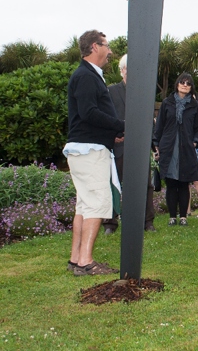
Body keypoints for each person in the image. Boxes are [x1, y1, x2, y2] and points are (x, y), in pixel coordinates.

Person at [63, 30, 124, 276]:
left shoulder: (86, 75)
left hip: (85, 148)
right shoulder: (87, 76)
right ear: (94, 47)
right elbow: (88, 113)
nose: (110, 51)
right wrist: (121, 126)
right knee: (97, 203)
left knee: (84, 206)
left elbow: (85, 118)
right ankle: (86, 261)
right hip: (89, 152)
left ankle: (76, 258)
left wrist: (110, 135)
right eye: (106, 46)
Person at [102, 54, 157, 233]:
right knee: (114, 184)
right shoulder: (111, 91)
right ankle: (110, 223)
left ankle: (147, 222)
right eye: (127, 69)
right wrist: (112, 137)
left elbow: (149, 121)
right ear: (122, 71)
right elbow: (106, 117)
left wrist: (153, 145)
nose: (130, 72)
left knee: (146, 185)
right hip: (119, 146)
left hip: (140, 147)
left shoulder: (144, 93)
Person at [153, 73, 198, 226]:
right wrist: (156, 144)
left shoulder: (195, 106)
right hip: (168, 148)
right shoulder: (167, 103)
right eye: (182, 82)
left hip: (186, 150)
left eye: (188, 83)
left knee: (183, 183)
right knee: (171, 184)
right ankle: (172, 217)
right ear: (177, 84)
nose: (185, 85)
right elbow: (159, 126)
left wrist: (194, 142)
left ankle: (183, 217)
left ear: (191, 87)